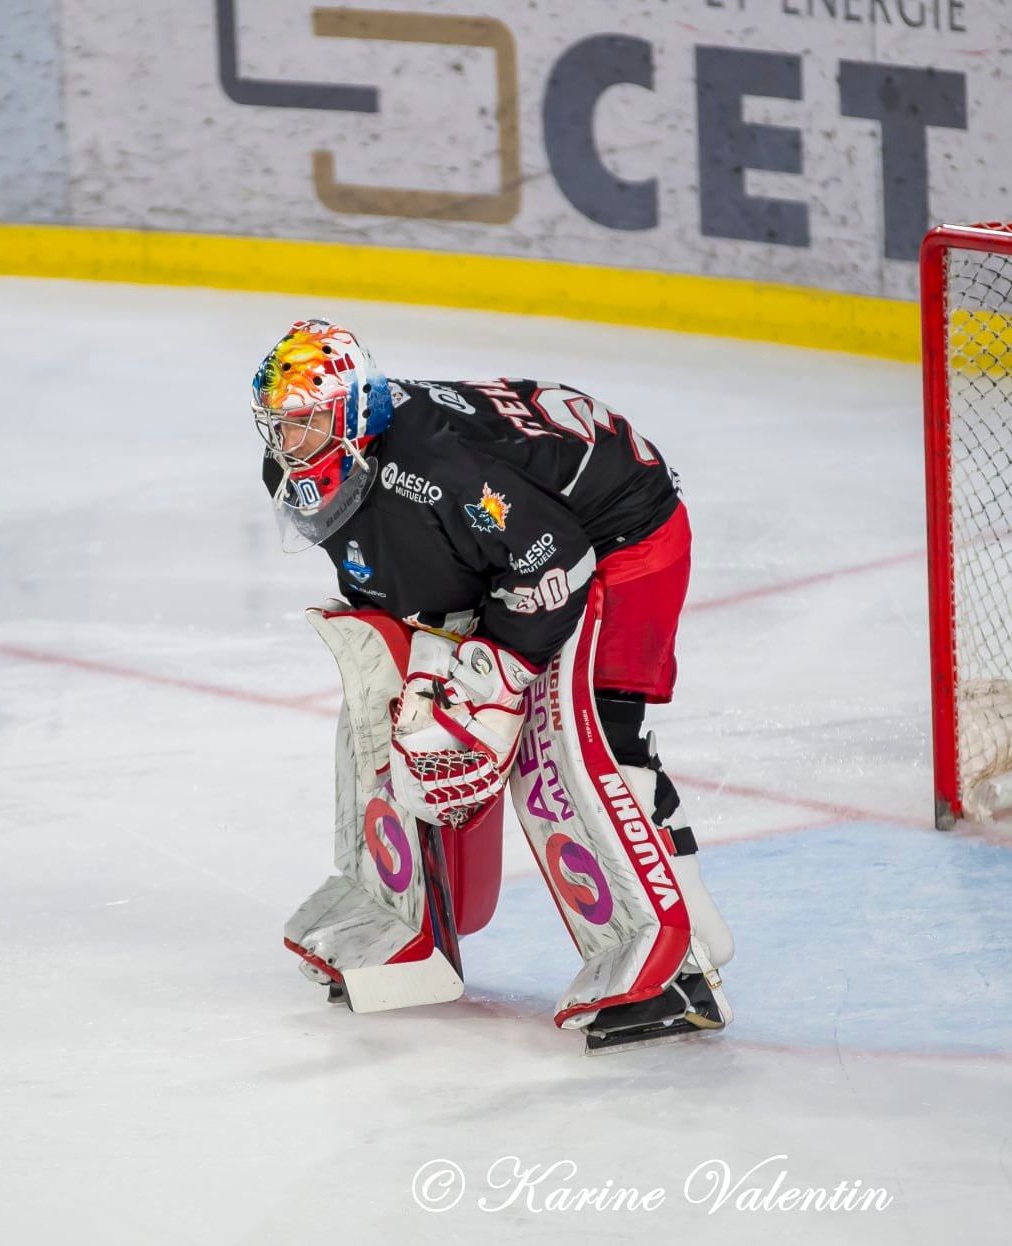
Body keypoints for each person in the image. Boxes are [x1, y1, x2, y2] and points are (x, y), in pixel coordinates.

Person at [253, 319, 734, 1051]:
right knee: (413, 716)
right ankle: (405, 926)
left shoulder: (436, 469)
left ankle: (681, 965)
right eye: (280, 424)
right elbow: (410, 562)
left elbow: (552, 559)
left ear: (351, 415)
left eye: (307, 421)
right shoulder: (310, 467)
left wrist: (498, 675)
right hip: (518, 546)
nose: (289, 443)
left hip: (620, 535)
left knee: (593, 737)